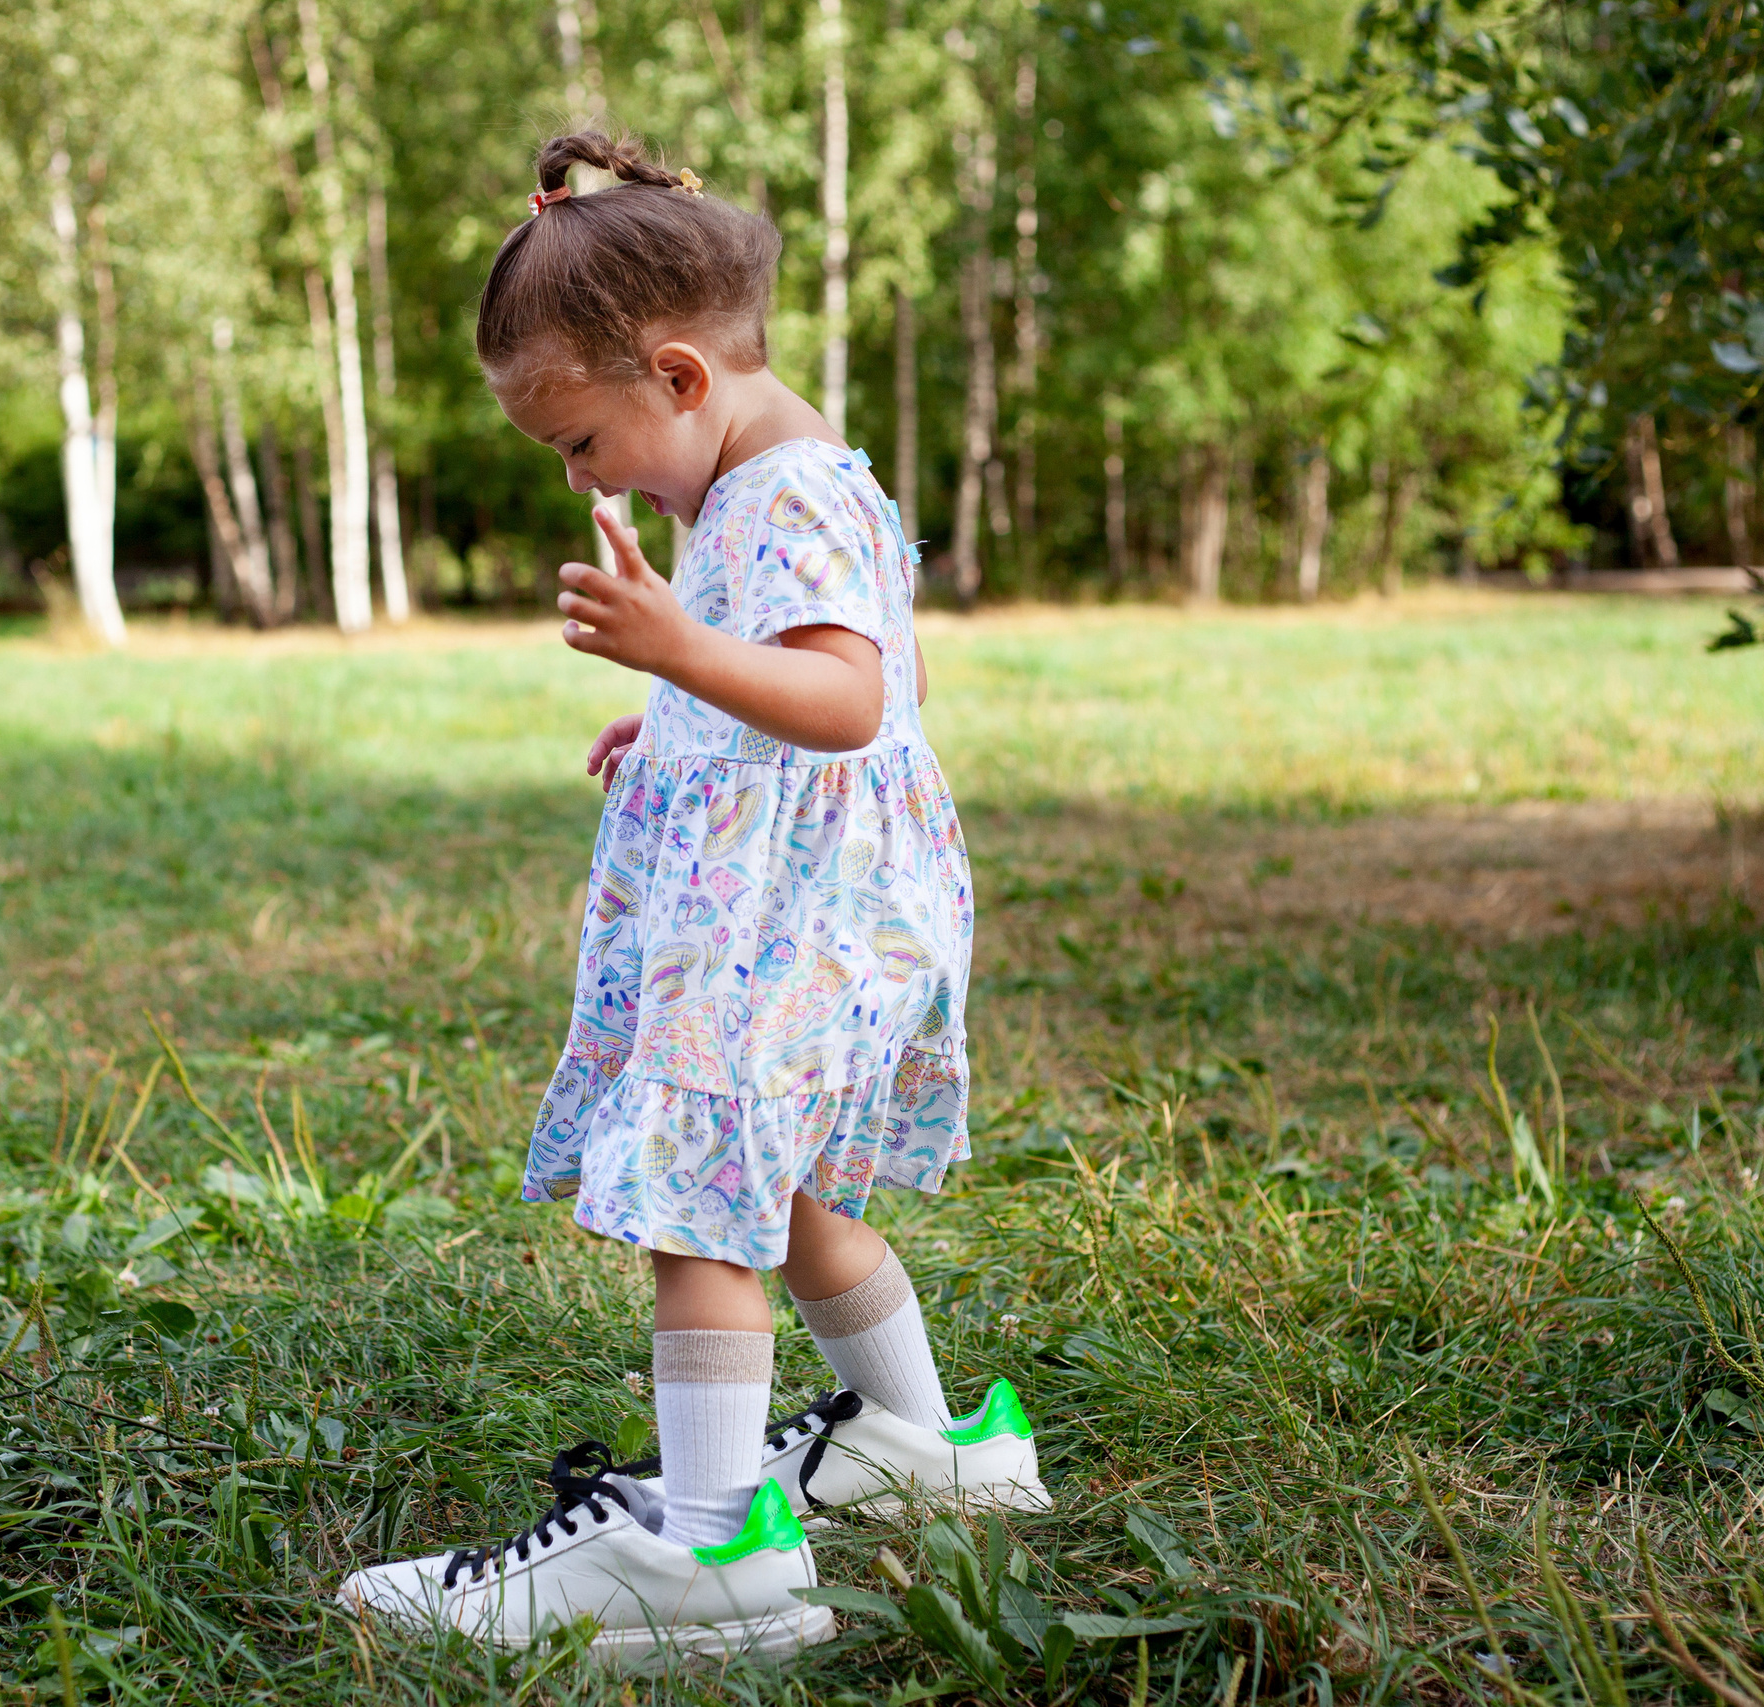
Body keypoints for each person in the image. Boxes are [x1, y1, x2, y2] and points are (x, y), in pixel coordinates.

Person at [337, 130, 1044, 1663]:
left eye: (578, 445)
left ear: (676, 376)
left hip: (784, 930)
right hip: (826, 915)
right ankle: (924, 1446)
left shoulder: (782, 500)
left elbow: (855, 700)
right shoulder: (791, 478)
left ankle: (716, 1559)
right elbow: (885, 678)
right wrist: (687, 714)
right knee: (789, 1201)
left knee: (704, 1209)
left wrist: (677, 657)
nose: (577, 478)